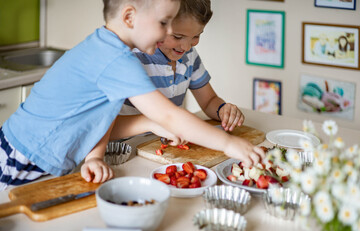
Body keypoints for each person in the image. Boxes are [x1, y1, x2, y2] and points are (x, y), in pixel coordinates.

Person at [0, 0, 264, 191]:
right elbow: (169, 115)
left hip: (34, 152)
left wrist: (94, 157)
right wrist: (229, 145)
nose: (164, 33)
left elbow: (101, 113)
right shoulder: (118, 60)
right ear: (129, 18)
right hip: (23, 155)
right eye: (163, 23)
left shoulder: (106, 48)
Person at [120, 0, 244, 132]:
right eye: (177, 36)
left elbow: (209, 101)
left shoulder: (190, 56)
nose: (186, 47)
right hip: (130, 146)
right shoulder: (132, 58)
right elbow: (107, 123)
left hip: (168, 143)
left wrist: (223, 110)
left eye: (196, 36)